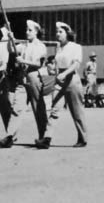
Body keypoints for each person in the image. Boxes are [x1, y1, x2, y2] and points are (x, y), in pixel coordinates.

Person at [36, 21, 87, 149]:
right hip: (59, 81)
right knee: (54, 110)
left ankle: (83, 138)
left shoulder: (76, 46)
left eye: (60, 32)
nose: (57, 34)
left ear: (67, 33)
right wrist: (56, 73)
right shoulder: (59, 47)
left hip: (72, 80)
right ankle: (47, 139)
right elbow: (57, 64)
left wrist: (64, 75)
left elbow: (76, 64)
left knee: (77, 112)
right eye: (57, 32)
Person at [4, 19, 48, 147]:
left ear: (36, 32)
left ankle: (43, 138)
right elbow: (11, 50)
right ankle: (9, 136)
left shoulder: (41, 46)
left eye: (30, 30)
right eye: (26, 30)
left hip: (34, 77)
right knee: (17, 108)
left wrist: (23, 60)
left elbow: (39, 63)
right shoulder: (24, 45)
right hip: (22, 78)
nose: (27, 32)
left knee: (38, 109)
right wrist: (9, 37)